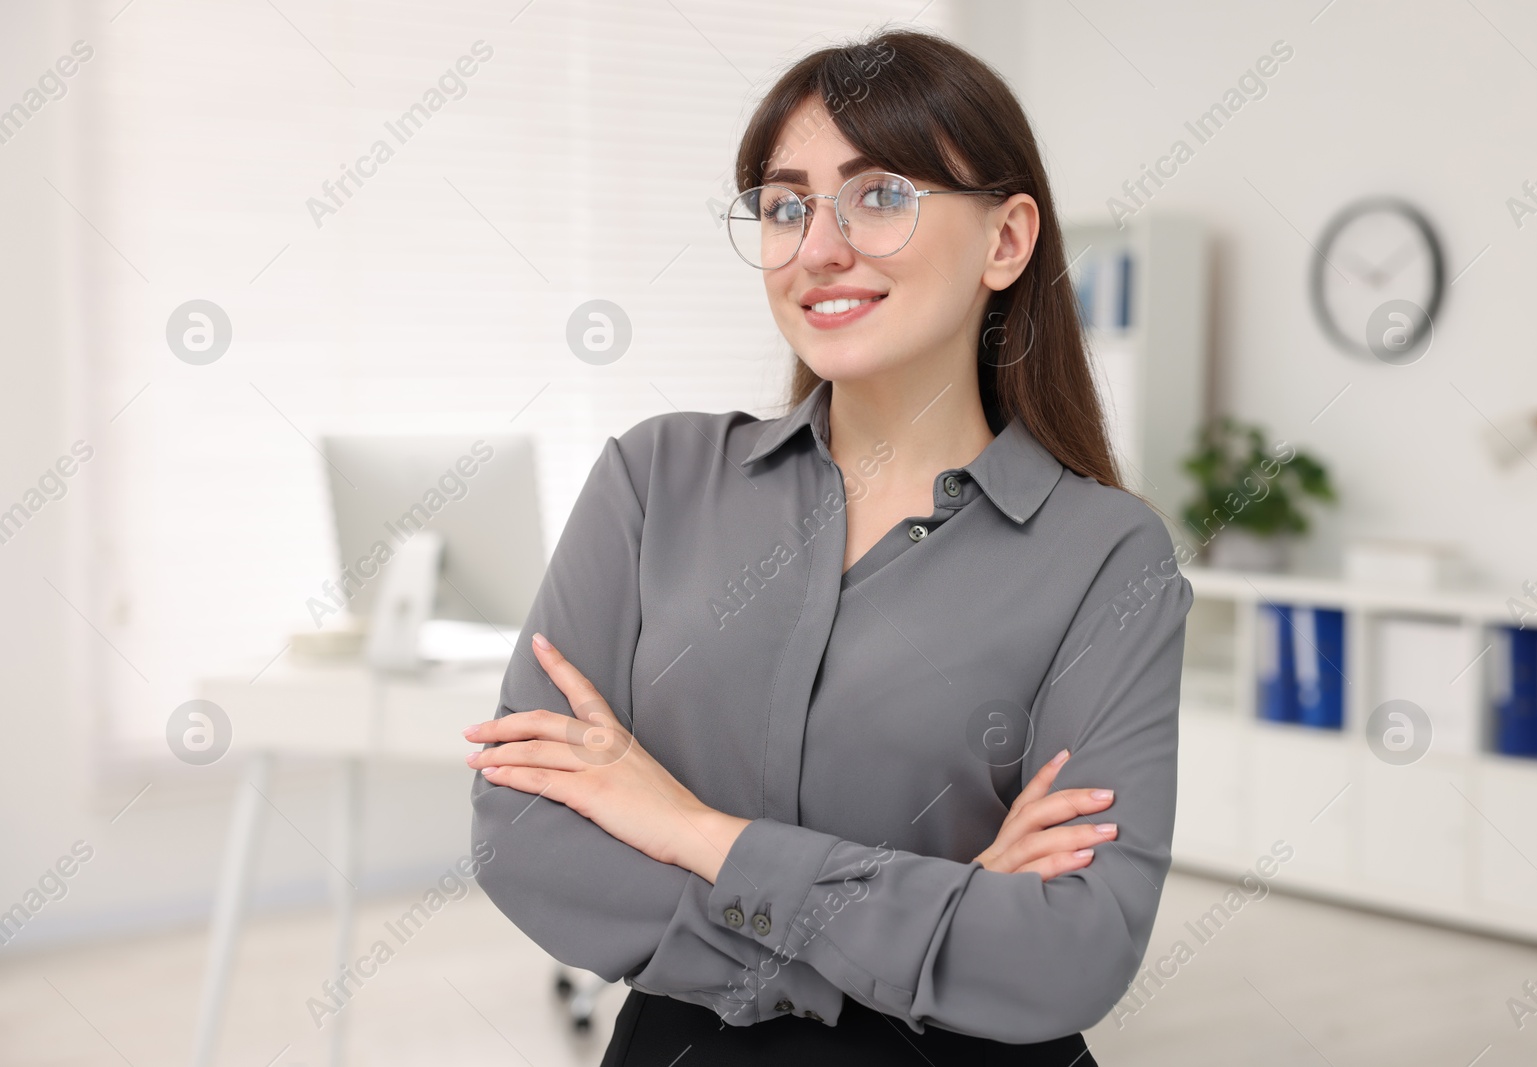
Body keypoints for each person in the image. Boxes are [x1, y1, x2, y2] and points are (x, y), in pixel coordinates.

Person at [464, 26, 1192, 1066]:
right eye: (784, 204)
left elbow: (1072, 949)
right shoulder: (654, 480)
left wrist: (686, 827)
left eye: (880, 195)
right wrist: (941, 915)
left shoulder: (1107, 558)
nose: (818, 247)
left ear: (1007, 239)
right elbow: (521, 834)